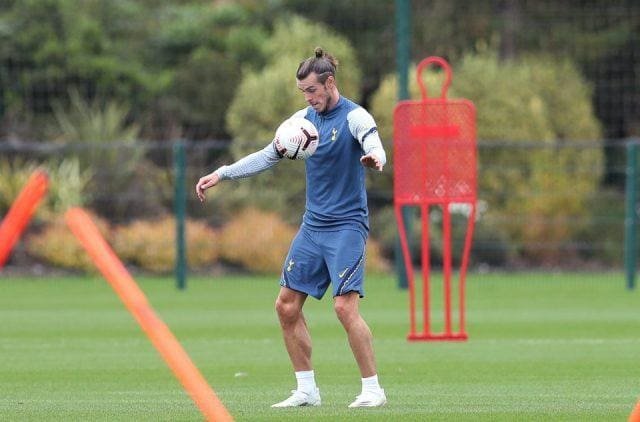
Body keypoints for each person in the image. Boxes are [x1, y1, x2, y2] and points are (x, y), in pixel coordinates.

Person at [195, 47, 387, 408]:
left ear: (330, 83)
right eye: (303, 93)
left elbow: (375, 143)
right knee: (285, 306)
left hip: (347, 226)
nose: (308, 98)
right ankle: (306, 390)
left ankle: (373, 389)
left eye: (312, 91)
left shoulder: (355, 117)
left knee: (344, 308)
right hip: (313, 227)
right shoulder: (301, 123)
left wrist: (375, 158)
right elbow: (267, 156)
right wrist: (221, 173)